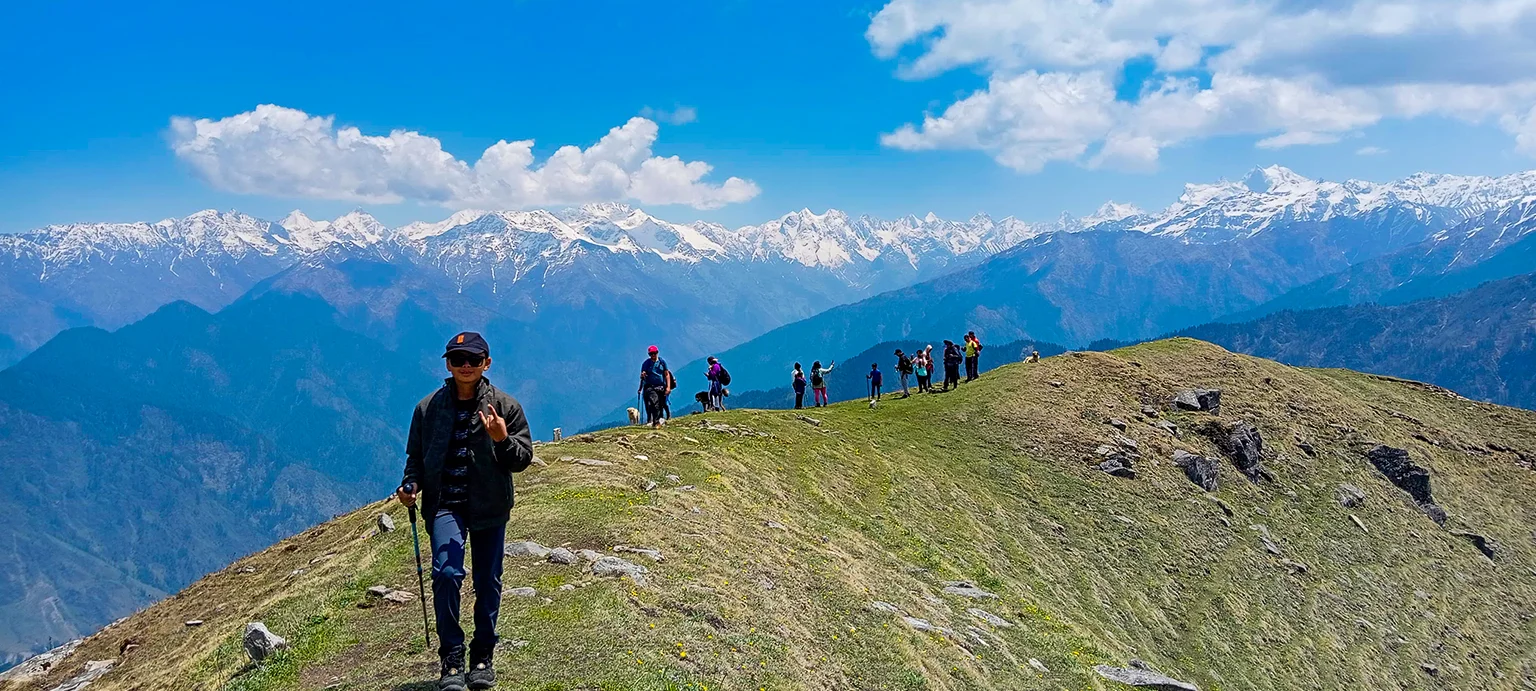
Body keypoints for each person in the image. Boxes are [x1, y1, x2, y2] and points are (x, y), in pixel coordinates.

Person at [397, 332, 534, 691]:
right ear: (448, 364)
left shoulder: (505, 407)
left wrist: (502, 438)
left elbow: (523, 460)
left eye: (474, 359)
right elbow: (416, 458)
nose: (466, 366)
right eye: (458, 359)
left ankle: (483, 656)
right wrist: (410, 486)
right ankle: (452, 657)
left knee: (488, 580)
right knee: (446, 573)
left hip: (490, 505)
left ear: (487, 363)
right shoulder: (428, 409)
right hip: (444, 506)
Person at [638, 345, 671, 428]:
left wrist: (668, 387)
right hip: (650, 386)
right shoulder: (646, 363)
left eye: (654, 353)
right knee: (654, 401)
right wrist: (642, 378)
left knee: (660, 404)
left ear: (657, 353)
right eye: (651, 354)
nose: (653, 355)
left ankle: (659, 420)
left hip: (661, 386)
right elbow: (642, 376)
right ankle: (656, 422)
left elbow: (666, 374)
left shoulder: (662, 362)